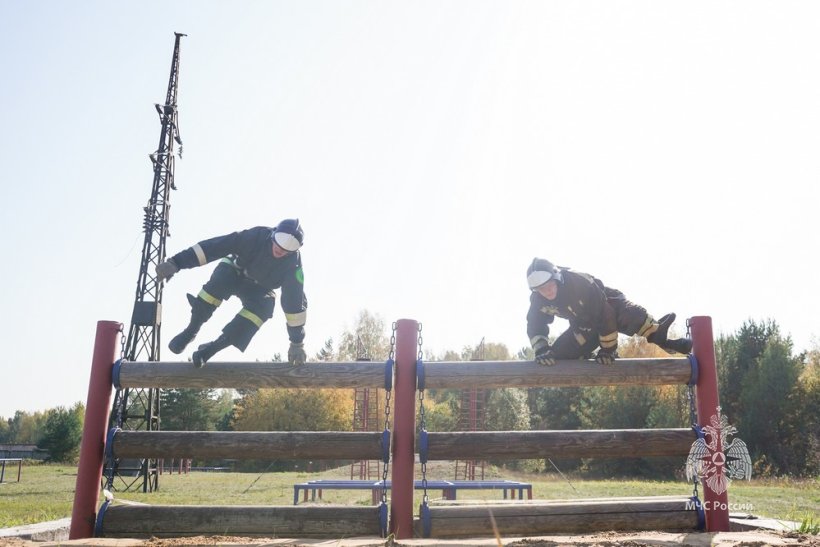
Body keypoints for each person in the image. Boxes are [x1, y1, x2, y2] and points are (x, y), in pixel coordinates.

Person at [155, 219, 307, 368]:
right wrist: (176, 262)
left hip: (260, 289)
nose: (281, 249)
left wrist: (297, 342)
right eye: (280, 240)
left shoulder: (293, 267)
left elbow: (294, 305)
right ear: (273, 234)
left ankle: (210, 350)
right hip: (235, 271)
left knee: (265, 308)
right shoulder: (256, 236)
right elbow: (215, 246)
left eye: (290, 246)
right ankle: (191, 331)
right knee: (219, 282)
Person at [525, 257, 692, 366]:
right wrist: (541, 349)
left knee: (630, 316)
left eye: (548, 285)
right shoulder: (538, 299)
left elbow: (605, 315)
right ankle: (587, 353)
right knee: (556, 356)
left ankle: (664, 339)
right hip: (583, 326)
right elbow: (535, 323)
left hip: (609, 305)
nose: (546, 292)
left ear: (557, 278)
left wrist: (608, 350)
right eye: (540, 289)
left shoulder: (579, 284)